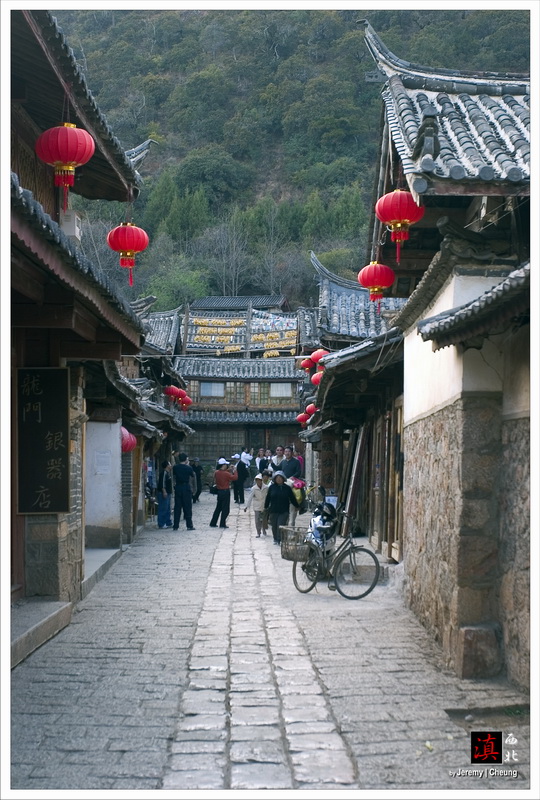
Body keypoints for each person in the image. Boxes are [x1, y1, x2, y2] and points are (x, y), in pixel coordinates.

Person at [264, 470, 299, 546]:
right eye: (277, 478)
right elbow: (268, 498)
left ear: (283, 479)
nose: (279, 479)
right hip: (273, 510)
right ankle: (275, 538)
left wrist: (297, 506)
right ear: (275, 479)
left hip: (284, 510)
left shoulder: (287, 488)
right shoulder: (272, 487)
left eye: (280, 477)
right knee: (274, 525)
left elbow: (292, 498)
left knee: (280, 525)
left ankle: (279, 539)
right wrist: (265, 507)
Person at [210, 458, 238, 528]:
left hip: (219, 491)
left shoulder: (217, 472)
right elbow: (235, 477)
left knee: (218, 508)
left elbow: (223, 473)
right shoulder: (226, 474)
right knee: (225, 509)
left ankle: (213, 522)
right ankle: (222, 523)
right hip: (225, 491)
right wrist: (235, 470)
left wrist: (229, 470)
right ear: (223, 465)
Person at [172, 453, 196, 531]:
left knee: (177, 507)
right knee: (187, 507)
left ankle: (176, 525)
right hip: (186, 487)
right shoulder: (189, 468)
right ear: (186, 459)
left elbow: (174, 476)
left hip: (178, 487)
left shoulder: (175, 467)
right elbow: (192, 475)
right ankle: (189, 525)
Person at [243, 473, 270, 537]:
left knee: (264, 519)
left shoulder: (266, 487)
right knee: (257, 520)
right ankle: (258, 532)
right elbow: (250, 497)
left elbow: (269, 496)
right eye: (257, 480)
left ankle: (264, 529)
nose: (259, 482)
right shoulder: (254, 488)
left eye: (260, 480)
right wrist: (246, 506)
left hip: (264, 505)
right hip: (257, 506)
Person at [156, 460, 173, 529]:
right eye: (169, 464)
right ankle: (161, 523)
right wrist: (164, 491)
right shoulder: (164, 473)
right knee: (163, 508)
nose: (171, 465)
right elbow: (162, 483)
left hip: (168, 493)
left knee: (168, 509)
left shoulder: (168, 473)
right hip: (164, 493)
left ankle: (168, 522)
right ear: (167, 466)